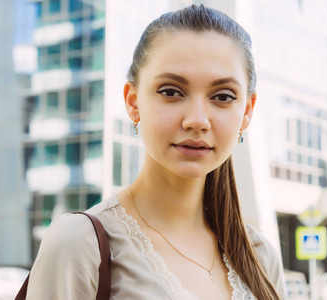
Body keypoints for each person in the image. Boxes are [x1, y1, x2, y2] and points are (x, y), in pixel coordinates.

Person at [26, 4, 287, 300]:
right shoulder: (80, 244)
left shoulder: (261, 257)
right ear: (134, 102)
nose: (197, 120)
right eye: (171, 91)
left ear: (247, 111)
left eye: (223, 96)